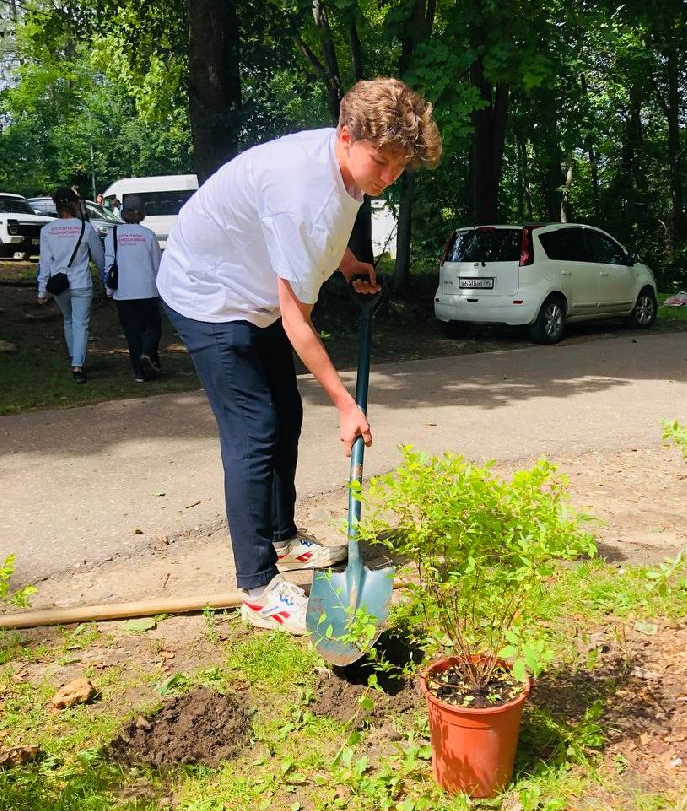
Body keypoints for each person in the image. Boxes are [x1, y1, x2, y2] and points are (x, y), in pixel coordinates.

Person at [157, 77, 441, 634]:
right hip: (208, 295)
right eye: (381, 162)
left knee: (285, 413)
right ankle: (258, 586)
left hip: (250, 288)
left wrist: (349, 262)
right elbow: (296, 320)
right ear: (345, 135)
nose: (387, 177)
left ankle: (283, 537)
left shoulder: (342, 167)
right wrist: (345, 404)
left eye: (399, 166)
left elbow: (324, 234)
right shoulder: (301, 195)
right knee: (255, 430)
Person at [37, 185, 105, 384]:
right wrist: (105, 278)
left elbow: (45, 262)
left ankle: (74, 357)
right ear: (75, 204)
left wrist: (42, 289)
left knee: (68, 320)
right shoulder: (85, 228)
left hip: (59, 285)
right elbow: (98, 257)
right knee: (81, 324)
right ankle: (78, 365)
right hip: (81, 282)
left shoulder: (47, 230)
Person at [105, 194, 163, 382]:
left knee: (132, 332)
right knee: (154, 327)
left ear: (123, 213)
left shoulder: (113, 234)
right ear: (142, 215)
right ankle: (147, 352)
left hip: (123, 291)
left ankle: (139, 373)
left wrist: (109, 288)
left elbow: (109, 263)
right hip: (147, 290)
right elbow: (157, 264)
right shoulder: (148, 235)